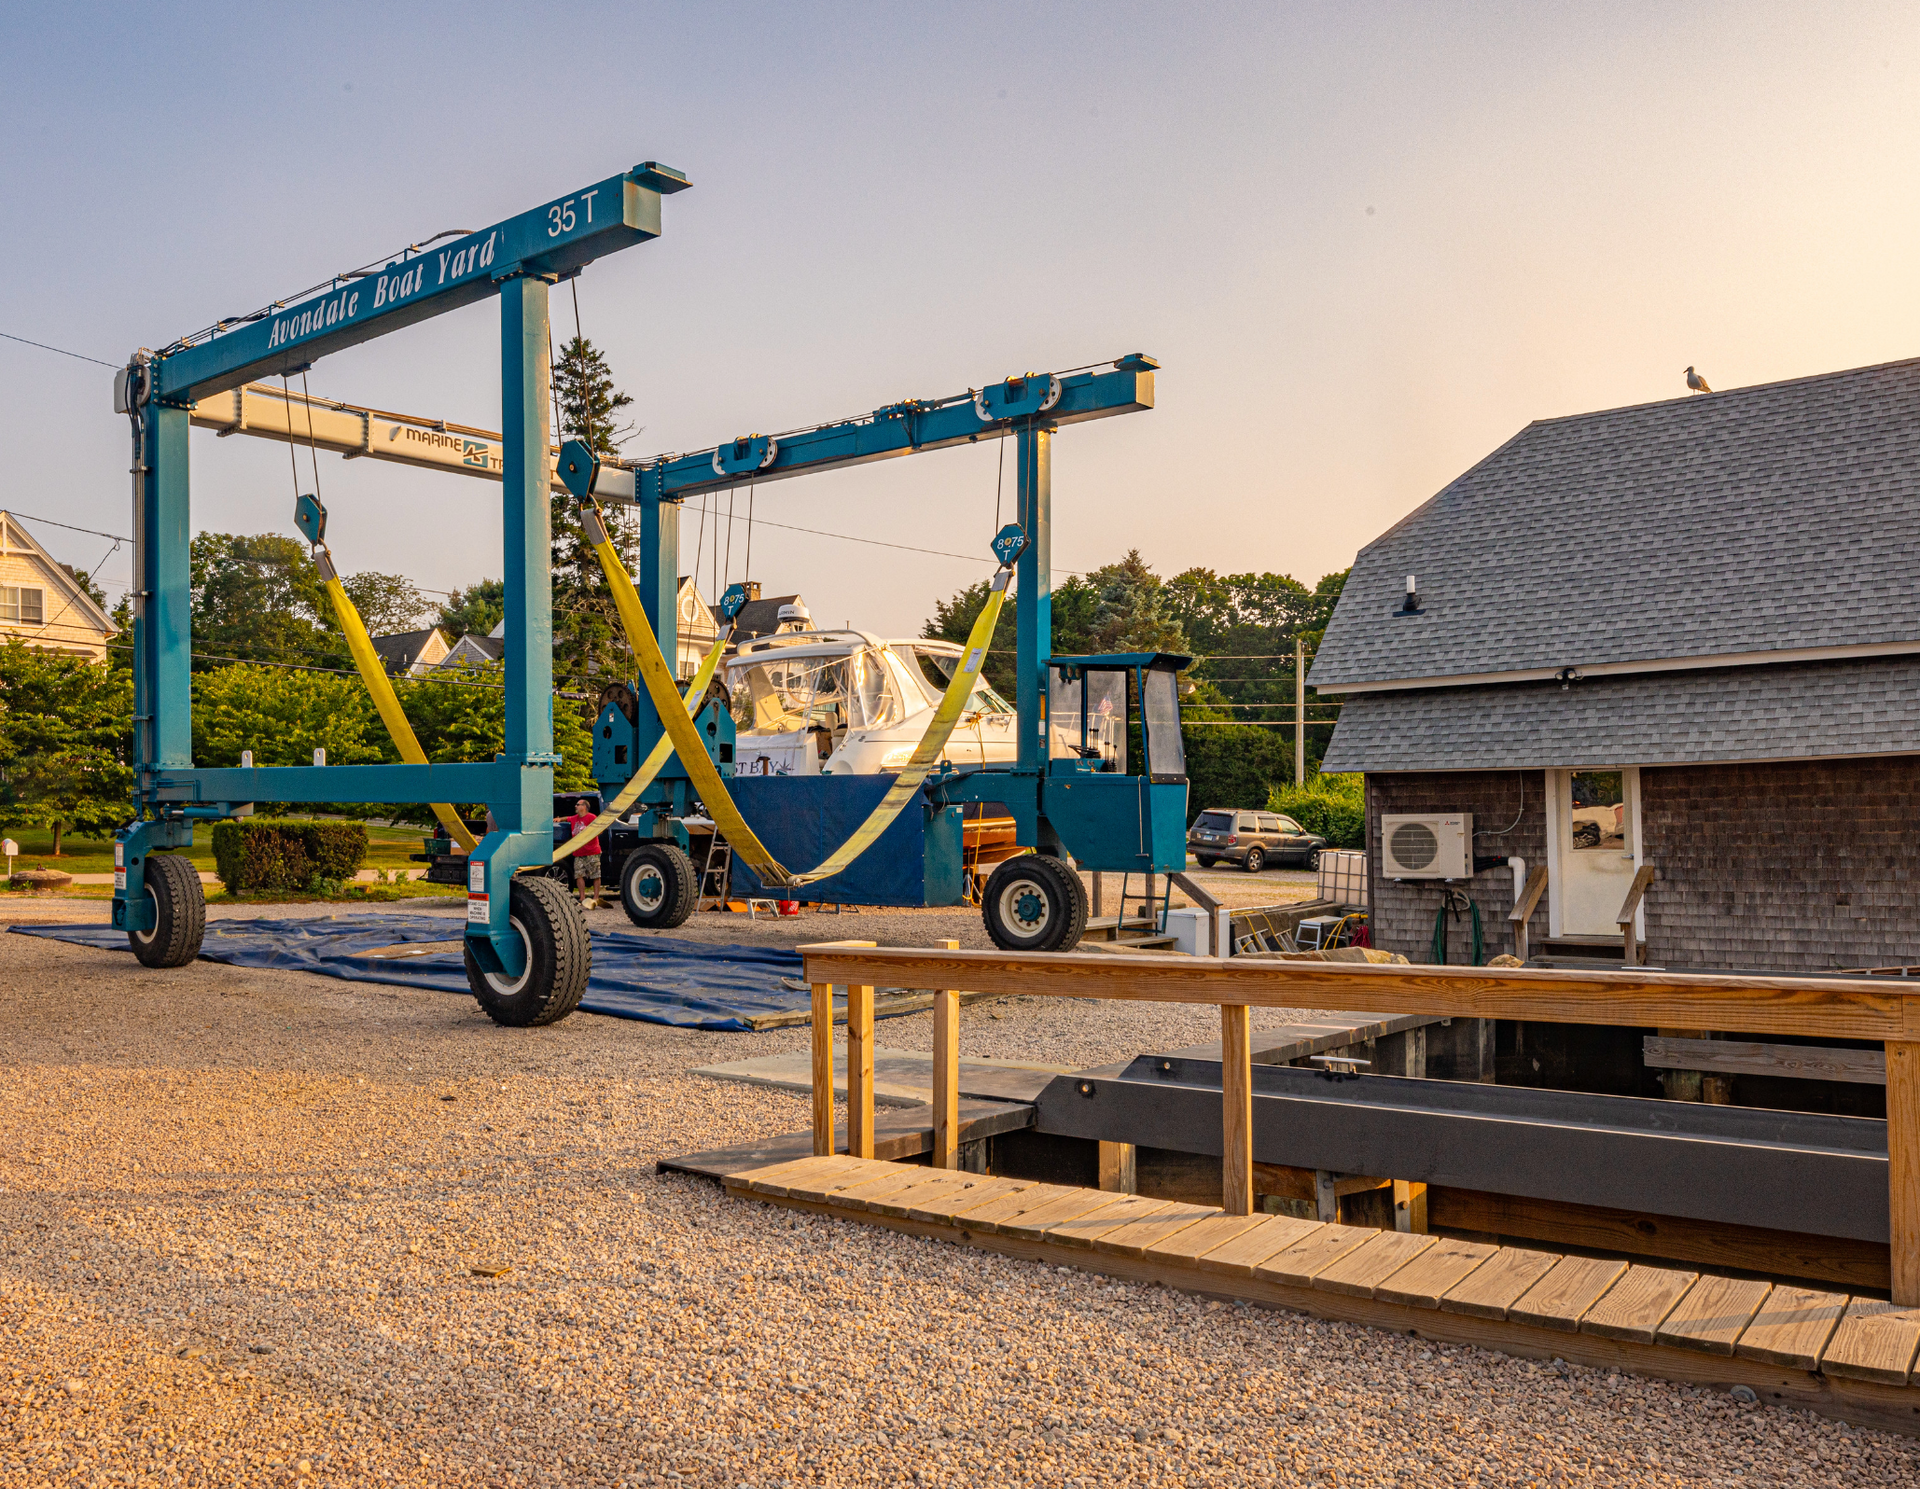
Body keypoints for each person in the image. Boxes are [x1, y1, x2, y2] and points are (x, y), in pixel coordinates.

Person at [564, 797, 603, 908]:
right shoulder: (574, 818)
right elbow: (567, 818)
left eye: (578, 804)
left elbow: (600, 829)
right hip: (578, 853)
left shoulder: (591, 817)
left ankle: (596, 897)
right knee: (579, 875)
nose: (575, 806)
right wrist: (558, 819)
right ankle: (582, 897)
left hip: (592, 852)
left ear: (584, 807)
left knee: (595, 874)